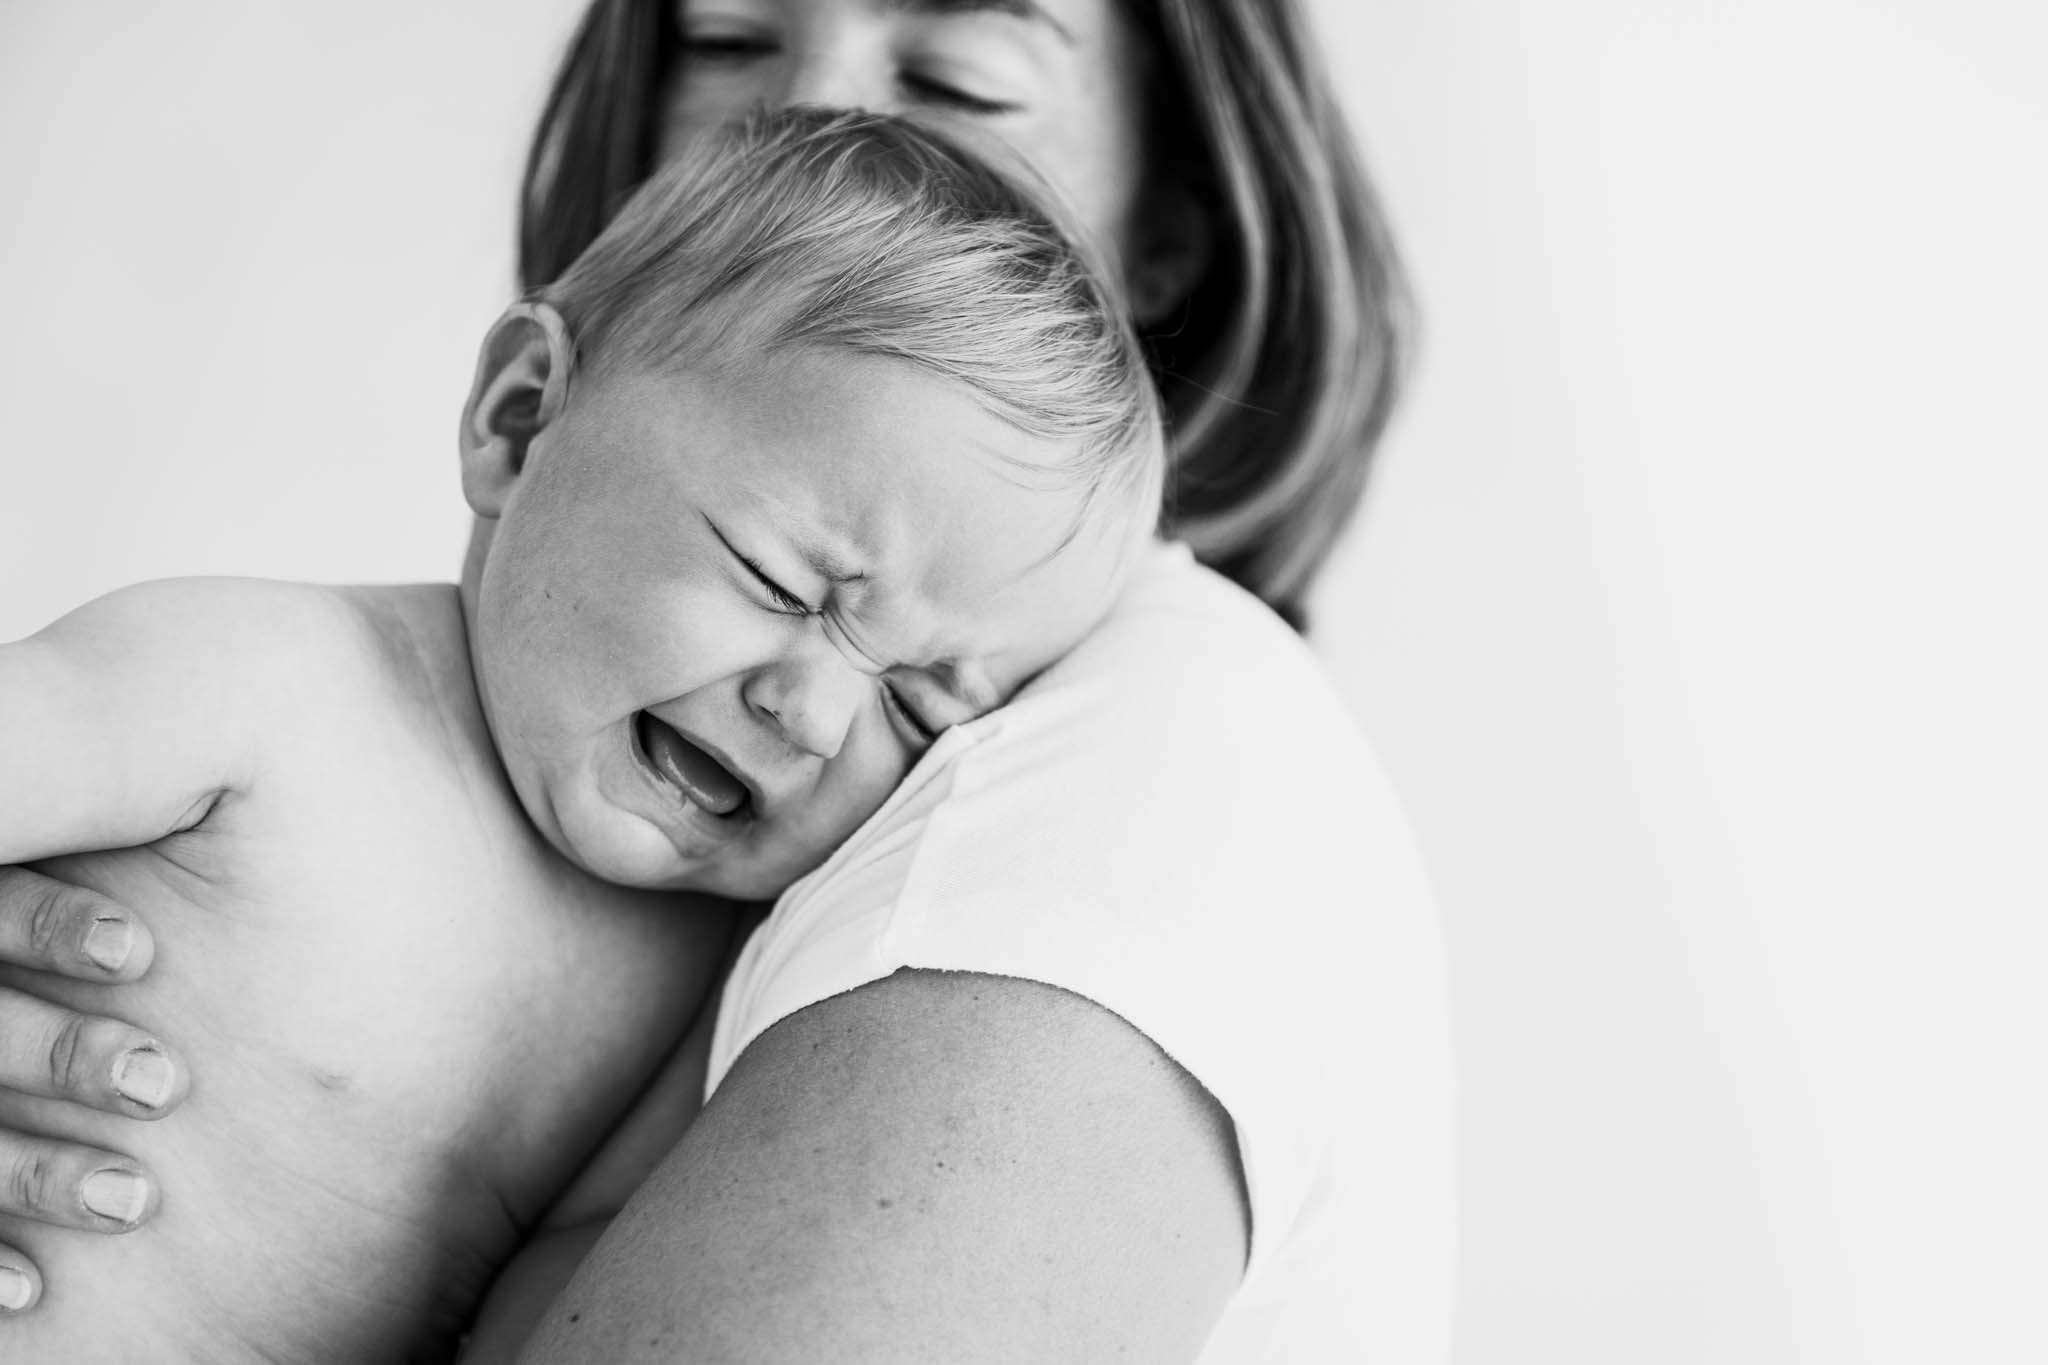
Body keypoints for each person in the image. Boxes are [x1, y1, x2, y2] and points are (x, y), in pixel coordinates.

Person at [0, 2, 1455, 1361]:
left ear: (1182, 230)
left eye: (919, 702)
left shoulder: (707, 976)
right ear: (519, 421)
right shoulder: (260, 688)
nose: (815, 709)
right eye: (729, 34)